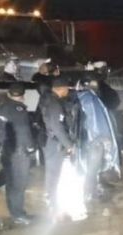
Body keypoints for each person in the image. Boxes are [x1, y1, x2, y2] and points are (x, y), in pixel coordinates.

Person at [0, 83, 36, 225]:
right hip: (19, 152)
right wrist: (29, 147)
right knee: (19, 184)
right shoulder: (18, 109)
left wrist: (5, 144)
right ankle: (18, 214)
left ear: (9, 93)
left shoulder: (3, 107)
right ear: (23, 96)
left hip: (9, 151)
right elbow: (24, 133)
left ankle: (14, 211)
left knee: (11, 183)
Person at [77, 75, 120, 203]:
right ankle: (88, 193)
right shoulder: (89, 99)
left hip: (90, 139)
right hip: (95, 140)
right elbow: (95, 121)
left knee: (94, 167)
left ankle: (92, 190)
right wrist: (101, 138)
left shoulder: (87, 98)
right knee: (93, 168)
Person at [40, 77, 76, 209]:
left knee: (52, 170)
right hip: (54, 142)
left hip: (51, 140)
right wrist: (69, 145)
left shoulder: (50, 100)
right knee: (53, 171)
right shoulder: (55, 104)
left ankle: (50, 195)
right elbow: (57, 127)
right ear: (60, 89)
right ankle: (51, 198)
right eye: (67, 88)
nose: (68, 91)